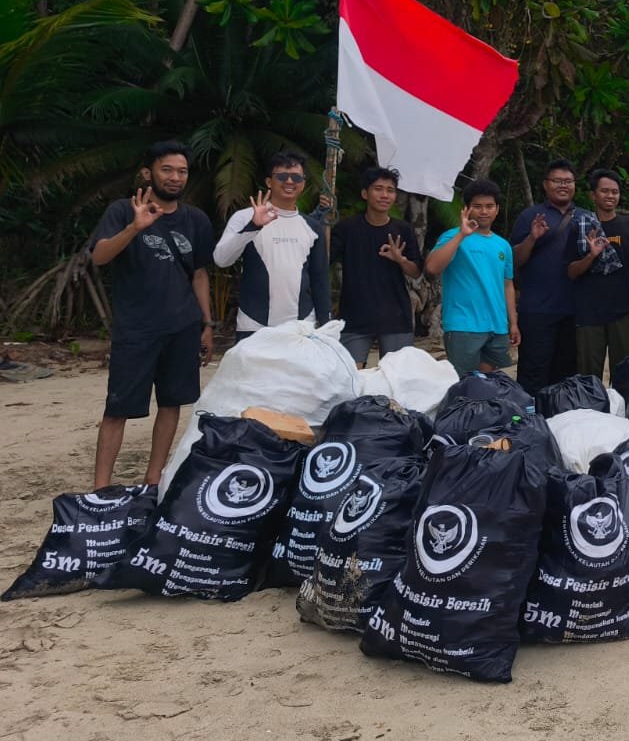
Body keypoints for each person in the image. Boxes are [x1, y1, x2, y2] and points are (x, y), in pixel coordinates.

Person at [87, 141, 217, 488]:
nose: (175, 178)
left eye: (182, 171)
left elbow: (199, 274)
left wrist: (207, 324)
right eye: (167, 170)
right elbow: (99, 257)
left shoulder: (196, 219)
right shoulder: (122, 211)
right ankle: (101, 487)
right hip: (137, 329)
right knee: (118, 409)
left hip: (183, 326)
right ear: (148, 173)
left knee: (172, 404)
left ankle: (152, 479)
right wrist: (134, 228)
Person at [213, 149, 331, 337]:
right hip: (254, 325)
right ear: (269, 182)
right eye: (282, 176)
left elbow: (319, 278)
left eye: (297, 178)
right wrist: (252, 226)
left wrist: (326, 324)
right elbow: (221, 259)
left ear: (303, 183)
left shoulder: (312, 226)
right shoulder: (245, 217)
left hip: (302, 326)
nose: (290, 182)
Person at [426, 179, 519, 377]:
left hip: (497, 326)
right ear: (466, 209)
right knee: (464, 386)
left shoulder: (503, 245)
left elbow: (507, 285)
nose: (484, 211)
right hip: (463, 325)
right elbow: (432, 267)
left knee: (488, 384)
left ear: (497, 210)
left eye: (489, 206)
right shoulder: (453, 236)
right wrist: (461, 235)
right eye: (477, 206)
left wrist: (513, 322)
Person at [328, 166, 420, 366]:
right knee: (351, 377)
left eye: (390, 190)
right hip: (355, 315)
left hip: (396, 316)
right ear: (365, 193)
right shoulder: (346, 228)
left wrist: (400, 259)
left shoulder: (403, 229)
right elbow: (324, 260)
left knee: (396, 379)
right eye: (378, 188)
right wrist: (324, 220)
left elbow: (416, 272)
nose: (384, 195)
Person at [566, 168, 629, 382]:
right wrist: (591, 256)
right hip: (589, 312)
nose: (610, 196)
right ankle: (591, 414)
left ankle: (622, 414)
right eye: (604, 191)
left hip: (623, 310)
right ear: (593, 195)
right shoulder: (580, 226)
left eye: (615, 192)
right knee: (588, 376)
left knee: (625, 373)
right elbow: (571, 271)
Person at [510, 159, 581, 392]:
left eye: (568, 181)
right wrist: (532, 238)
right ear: (545, 184)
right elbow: (515, 261)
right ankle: (531, 423)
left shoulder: (585, 217)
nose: (563, 185)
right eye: (557, 181)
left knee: (567, 375)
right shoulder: (530, 216)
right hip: (537, 310)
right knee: (533, 372)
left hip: (574, 310)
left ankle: (562, 421)